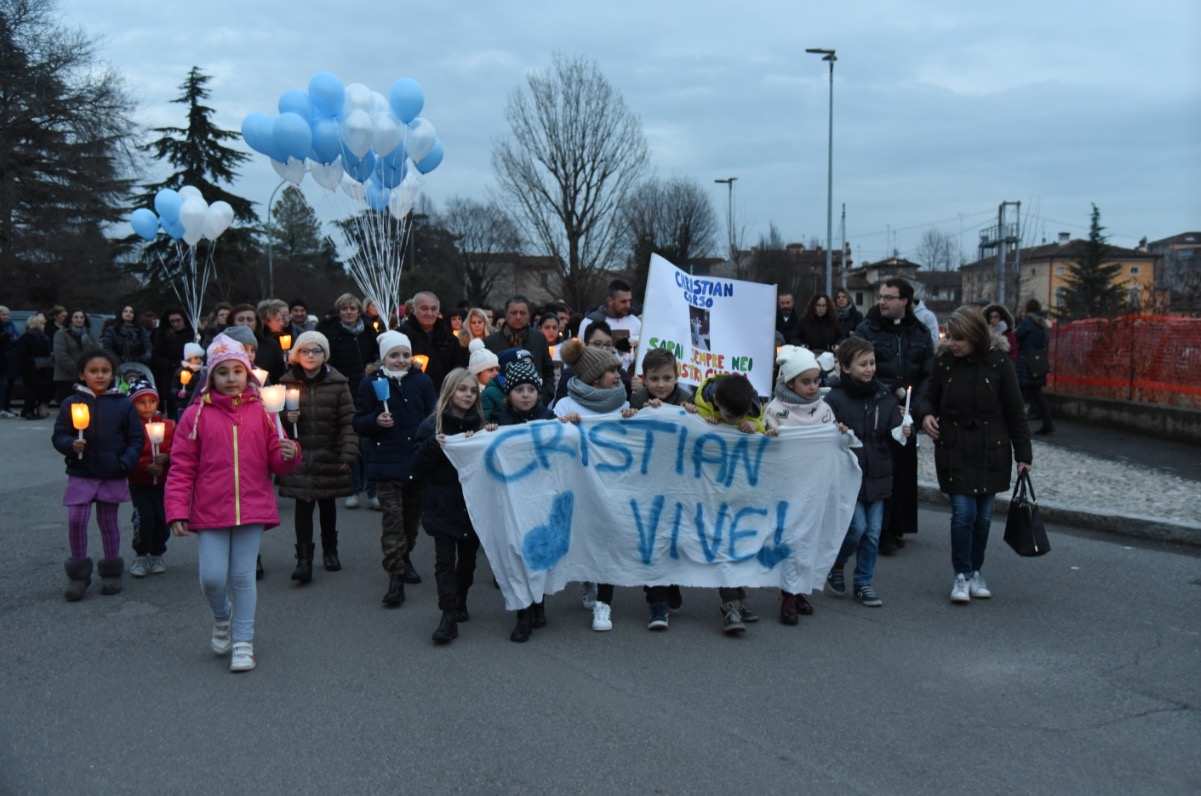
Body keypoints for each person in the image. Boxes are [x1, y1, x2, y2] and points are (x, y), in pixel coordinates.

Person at [167, 333, 301, 672]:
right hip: (211, 507)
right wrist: (177, 509)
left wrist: (290, 454)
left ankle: (244, 642)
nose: (231, 379)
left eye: (237, 372)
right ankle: (222, 616)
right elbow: (181, 466)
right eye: (223, 372)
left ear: (248, 374)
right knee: (211, 578)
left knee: (243, 577)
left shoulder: (264, 412)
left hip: (252, 505)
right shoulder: (195, 416)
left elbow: (278, 460)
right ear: (211, 376)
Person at [919, 306, 1032, 604]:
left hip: (990, 449)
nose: (952, 343)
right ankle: (961, 573)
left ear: (974, 336)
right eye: (950, 337)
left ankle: (975, 571)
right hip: (954, 447)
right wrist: (926, 415)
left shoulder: (999, 363)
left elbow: (1014, 410)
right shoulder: (944, 362)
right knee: (963, 514)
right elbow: (928, 395)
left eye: (959, 339)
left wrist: (1024, 455)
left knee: (982, 518)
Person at [823, 337, 910, 609]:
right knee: (857, 529)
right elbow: (825, 432)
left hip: (880, 474)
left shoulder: (883, 396)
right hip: (850, 476)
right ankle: (838, 561)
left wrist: (905, 429)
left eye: (872, 362)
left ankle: (863, 583)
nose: (870, 368)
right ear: (846, 367)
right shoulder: (834, 398)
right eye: (863, 364)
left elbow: (894, 427)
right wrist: (835, 432)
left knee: (873, 533)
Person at [52, 347, 144, 600]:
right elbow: (59, 434)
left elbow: (135, 437)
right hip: (82, 471)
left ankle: (112, 570)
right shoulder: (72, 403)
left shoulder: (123, 404)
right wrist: (71, 445)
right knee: (76, 520)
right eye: (94, 371)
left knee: (108, 523)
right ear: (82, 375)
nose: (100, 375)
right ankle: (79, 574)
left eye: (105, 371)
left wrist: (124, 463)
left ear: (113, 373)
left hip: (112, 472)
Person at [353, 331, 436, 607]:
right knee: (393, 520)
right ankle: (395, 576)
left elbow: (432, 416)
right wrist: (376, 420)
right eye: (394, 355)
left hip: (416, 461)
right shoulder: (371, 383)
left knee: (411, 520)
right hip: (386, 461)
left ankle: (405, 555)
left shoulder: (422, 381)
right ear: (383, 358)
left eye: (404, 355)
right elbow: (358, 421)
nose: (400, 360)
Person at [412, 368, 495, 644]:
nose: (468, 395)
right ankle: (447, 613)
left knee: (468, 561)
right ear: (449, 391)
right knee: (445, 562)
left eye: (472, 391)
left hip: (472, 505)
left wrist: (492, 437)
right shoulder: (431, 426)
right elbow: (415, 468)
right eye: (462, 389)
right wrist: (432, 446)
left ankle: (461, 599)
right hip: (441, 503)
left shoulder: (482, 425)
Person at [853, 277, 934, 555]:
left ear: (905, 302)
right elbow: (861, 368)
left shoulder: (921, 333)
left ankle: (899, 525)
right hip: (878, 408)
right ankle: (881, 530)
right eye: (881, 297)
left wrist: (915, 408)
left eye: (889, 297)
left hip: (908, 412)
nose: (882, 302)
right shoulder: (867, 329)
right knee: (881, 468)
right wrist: (891, 396)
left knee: (904, 469)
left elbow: (927, 375)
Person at [555, 337, 630, 631]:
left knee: (609, 542)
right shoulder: (565, 405)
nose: (618, 375)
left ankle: (604, 605)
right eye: (612, 371)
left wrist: (634, 418)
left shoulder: (622, 404)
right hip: (579, 487)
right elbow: (547, 442)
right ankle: (588, 581)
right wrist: (562, 425)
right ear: (594, 377)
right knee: (586, 539)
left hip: (614, 486)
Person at [763, 345, 839, 622]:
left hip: (814, 487)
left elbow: (831, 440)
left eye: (816, 380)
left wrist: (839, 432)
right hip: (787, 486)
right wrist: (769, 436)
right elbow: (766, 444)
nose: (812, 387)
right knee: (791, 538)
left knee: (809, 539)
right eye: (805, 382)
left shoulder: (823, 408)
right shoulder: (775, 409)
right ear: (790, 381)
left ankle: (801, 589)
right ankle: (788, 596)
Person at [688, 372, 765, 634]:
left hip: (740, 495)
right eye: (730, 416)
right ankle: (730, 604)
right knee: (721, 545)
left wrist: (756, 426)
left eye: (740, 416)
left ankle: (739, 597)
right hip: (709, 495)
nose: (736, 422)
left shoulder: (751, 407)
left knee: (737, 546)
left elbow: (763, 426)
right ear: (717, 401)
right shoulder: (701, 405)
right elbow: (684, 426)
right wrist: (700, 420)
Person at [279, 331, 358, 583]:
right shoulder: (286, 384)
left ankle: (330, 550)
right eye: (305, 351)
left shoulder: (338, 384)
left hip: (328, 451)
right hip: (298, 454)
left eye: (316, 351)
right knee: (303, 505)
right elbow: (270, 420)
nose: (310, 355)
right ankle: (303, 559)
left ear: (325, 355)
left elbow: (348, 420)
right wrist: (284, 418)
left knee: (327, 504)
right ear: (296, 355)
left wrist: (348, 450)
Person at [490, 359, 559, 641]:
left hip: (541, 499)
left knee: (538, 552)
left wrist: (571, 426)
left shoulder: (549, 419)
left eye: (531, 388)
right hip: (512, 499)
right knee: (517, 553)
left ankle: (538, 602)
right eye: (519, 389)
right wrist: (483, 434)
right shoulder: (498, 420)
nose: (526, 394)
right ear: (509, 394)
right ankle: (523, 613)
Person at [626, 348, 694, 628]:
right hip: (648, 483)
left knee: (675, 538)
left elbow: (699, 430)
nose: (661, 385)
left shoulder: (686, 399)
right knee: (652, 540)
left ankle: (672, 582)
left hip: (679, 484)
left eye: (667, 378)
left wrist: (695, 415)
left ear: (677, 378)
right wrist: (635, 413)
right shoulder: (640, 398)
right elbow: (629, 429)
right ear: (644, 379)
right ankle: (656, 602)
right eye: (654, 379)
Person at [319, 293, 383, 509]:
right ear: (339, 312)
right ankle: (353, 489)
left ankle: (372, 490)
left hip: (368, 389)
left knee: (369, 442)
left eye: (352, 308)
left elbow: (377, 356)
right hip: (345, 391)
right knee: (351, 442)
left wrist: (374, 369)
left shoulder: (368, 332)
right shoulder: (331, 334)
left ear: (358, 311)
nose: (348, 312)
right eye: (344, 309)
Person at [126, 380, 174, 578]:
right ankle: (141, 553)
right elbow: (128, 454)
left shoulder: (169, 426)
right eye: (141, 402)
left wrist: (168, 457)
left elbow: (178, 448)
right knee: (143, 519)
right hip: (140, 484)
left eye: (151, 401)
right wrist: (145, 466)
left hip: (162, 484)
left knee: (162, 519)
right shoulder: (130, 428)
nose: (147, 406)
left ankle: (157, 552)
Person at [485, 295, 556, 406]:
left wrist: (543, 397)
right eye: (514, 313)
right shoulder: (490, 342)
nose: (518, 317)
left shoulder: (539, 338)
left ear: (529, 315)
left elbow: (548, 371)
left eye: (522, 313)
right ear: (506, 314)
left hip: (536, 403)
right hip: (500, 406)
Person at [397, 291, 467, 393]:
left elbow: (459, 366)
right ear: (413, 310)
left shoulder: (447, 335)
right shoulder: (402, 335)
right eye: (424, 308)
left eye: (434, 309)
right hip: (412, 392)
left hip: (444, 393)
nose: (429, 313)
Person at [1015, 298, 1054, 435]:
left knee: (1017, 395)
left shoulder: (1028, 322)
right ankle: (1048, 423)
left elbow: (1016, 337)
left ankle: (1016, 425)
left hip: (1026, 362)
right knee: (1037, 395)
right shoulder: (1042, 323)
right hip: (1037, 362)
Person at [53, 310, 98, 403]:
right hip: (66, 377)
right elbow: (60, 355)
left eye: (81, 317)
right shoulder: (61, 333)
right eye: (76, 317)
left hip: (86, 376)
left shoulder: (90, 333)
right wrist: (77, 370)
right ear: (70, 319)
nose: (79, 320)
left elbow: (97, 350)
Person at [17, 313, 54, 419]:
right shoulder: (26, 337)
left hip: (43, 367)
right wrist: (33, 362)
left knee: (41, 389)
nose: (44, 326)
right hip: (31, 368)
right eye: (42, 324)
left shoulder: (44, 337)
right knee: (31, 390)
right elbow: (22, 353)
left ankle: (38, 409)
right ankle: (28, 410)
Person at [150, 308, 194, 397]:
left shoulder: (193, 333)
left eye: (178, 320)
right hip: (173, 375)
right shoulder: (164, 336)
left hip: (193, 373)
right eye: (172, 321)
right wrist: (172, 365)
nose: (176, 324)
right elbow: (156, 356)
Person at [255, 299, 290, 384]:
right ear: (265, 321)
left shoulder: (277, 339)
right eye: (277, 320)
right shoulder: (261, 343)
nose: (282, 323)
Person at [0, 305, 19, 417]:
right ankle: (1, 408)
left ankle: (6, 407)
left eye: (7, 314)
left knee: (9, 384)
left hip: (10, 358)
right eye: (3, 314)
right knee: (3, 385)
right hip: (2, 359)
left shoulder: (11, 326)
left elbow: (17, 338)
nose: (6, 317)